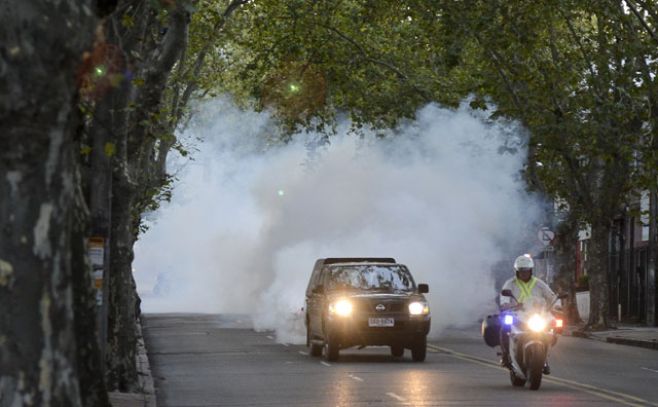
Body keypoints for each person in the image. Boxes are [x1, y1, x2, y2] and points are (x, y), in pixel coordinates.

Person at [499, 254, 557, 374]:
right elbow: (503, 297)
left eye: (526, 271)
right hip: (516, 314)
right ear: (516, 271)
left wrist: (557, 305)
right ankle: (505, 355)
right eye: (521, 271)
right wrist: (506, 305)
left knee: (552, 330)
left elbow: (551, 296)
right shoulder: (510, 284)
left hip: (536, 315)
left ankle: (544, 359)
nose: (524, 273)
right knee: (504, 327)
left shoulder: (539, 283)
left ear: (531, 270)